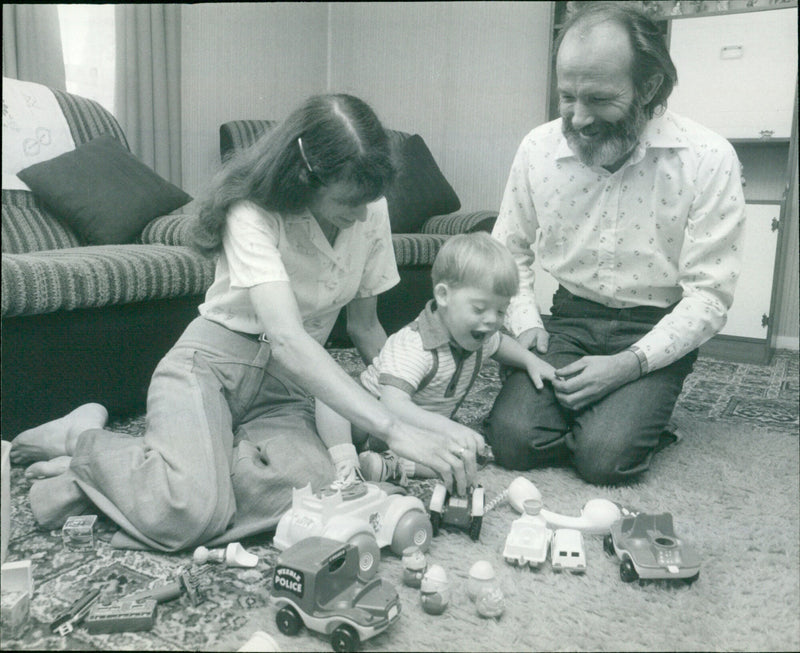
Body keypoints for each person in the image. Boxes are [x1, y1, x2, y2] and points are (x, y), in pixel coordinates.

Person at [10, 93, 484, 552]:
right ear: (304, 179)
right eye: (348, 201)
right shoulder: (251, 211)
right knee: (194, 512)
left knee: (317, 491)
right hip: (210, 365)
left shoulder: (370, 207)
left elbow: (365, 328)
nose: (362, 215)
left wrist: (412, 411)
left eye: (368, 201)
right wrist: (397, 432)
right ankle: (83, 438)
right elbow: (286, 338)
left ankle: (154, 474)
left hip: (286, 390)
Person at [486, 2, 745, 485]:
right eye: (567, 97)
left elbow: (709, 297)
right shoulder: (536, 150)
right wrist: (525, 327)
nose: (579, 119)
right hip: (565, 321)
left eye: (600, 99)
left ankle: (631, 418)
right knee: (512, 441)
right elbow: (509, 253)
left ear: (648, 87)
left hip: (654, 329)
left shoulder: (709, 158)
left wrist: (630, 366)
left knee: (604, 459)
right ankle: (615, 416)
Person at [316, 232, 555, 485]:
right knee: (329, 395)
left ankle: (391, 466)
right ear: (443, 296)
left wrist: (531, 361)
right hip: (367, 422)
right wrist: (449, 427)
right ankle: (345, 463)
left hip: (417, 436)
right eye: (479, 308)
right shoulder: (415, 344)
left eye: (501, 310)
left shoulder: (481, 336)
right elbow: (393, 405)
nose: (492, 320)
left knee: (467, 458)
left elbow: (501, 344)